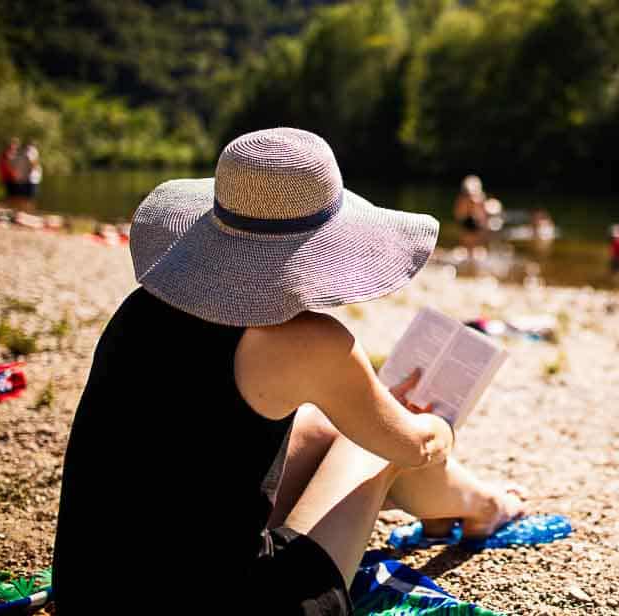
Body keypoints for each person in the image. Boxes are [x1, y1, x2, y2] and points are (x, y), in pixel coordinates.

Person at [53, 129, 524, 615]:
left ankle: (465, 508)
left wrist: (374, 410)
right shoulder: (310, 342)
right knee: (373, 449)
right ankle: (487, 508)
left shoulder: (143, 306)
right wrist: (437, 428)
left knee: (326, 427)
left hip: (89, 595)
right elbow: (413, 447)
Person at [453, 175, 487, 252]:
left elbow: (483, 216)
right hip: (467, 221)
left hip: (476, 222)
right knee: (468, 239)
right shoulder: (462, 200)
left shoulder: (480, 200)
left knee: (475, 241)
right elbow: (459, 215)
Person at [0, 138, 21, 205]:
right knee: (10, 195)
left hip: (13, 178)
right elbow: (5, 166)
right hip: (8, 177)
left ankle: (11, 207)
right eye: (14, 144)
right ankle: (8, 207)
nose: (15, 146)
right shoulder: (6, 154)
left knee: (14, 195)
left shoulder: (14, 154)